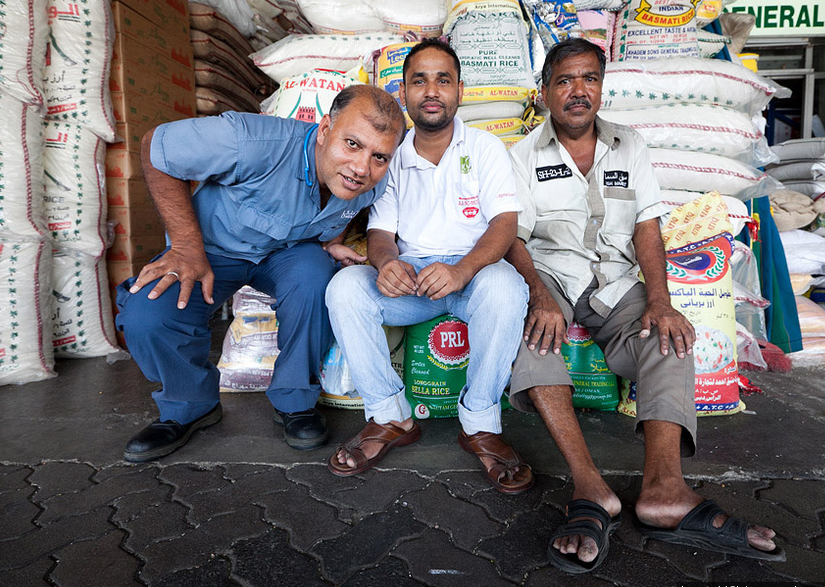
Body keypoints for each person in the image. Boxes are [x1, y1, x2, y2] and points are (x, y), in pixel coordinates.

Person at [504, 38, 784, 571]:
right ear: (544, 93)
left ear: (601, 88)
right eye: (564, 81)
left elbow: (646, 227)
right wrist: (538, 294)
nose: (577, 91)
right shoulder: (520, 156)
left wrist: (662, 300)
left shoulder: (629, 144)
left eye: (588, 79)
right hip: (554, 279)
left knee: (670, 340)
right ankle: (590, 489)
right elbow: (514, 238)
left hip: (616, 285)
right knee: (531, 341)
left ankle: (665, 490)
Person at [116, 85, 406, 463]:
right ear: (324, 129)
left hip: (285, 255)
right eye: (352, 144)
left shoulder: (373, 179)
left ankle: (295, 402)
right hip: (210, 252)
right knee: (147, 312)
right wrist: (186, 245)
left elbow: (341, 211)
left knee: (318, 275)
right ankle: (189, 405)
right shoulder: (250, 141)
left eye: (379, 156)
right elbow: (157, 148)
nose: (362, 168)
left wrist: (329, 242)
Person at [324, 39, 532, 494]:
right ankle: (391, 416)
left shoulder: (485, 147)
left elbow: (504, 225)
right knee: (344, 288)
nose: (431, 90)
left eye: (443, 80)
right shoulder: (390, 155)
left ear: (460, 89)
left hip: (474, 274)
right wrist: (386, 263)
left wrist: (462, 271)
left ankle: (479, 423)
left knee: (507, 288)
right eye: (420, 80)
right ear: (404, 90)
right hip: (413, 280)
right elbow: (380, 233)